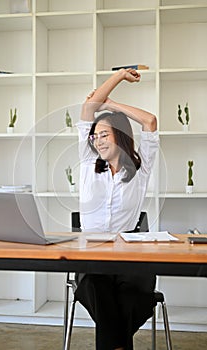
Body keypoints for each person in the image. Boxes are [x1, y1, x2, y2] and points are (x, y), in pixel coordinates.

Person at [75, 68, 159, 350]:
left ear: (120, 135)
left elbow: (149, 120)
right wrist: (120, 75)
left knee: (133, 297)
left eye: (104, 134)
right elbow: (89, 107)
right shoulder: (88, 162)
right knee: (98, 289)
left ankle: (113, 344)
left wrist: (110, 105)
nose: (96, 140)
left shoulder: (141, 166)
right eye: (94, 136)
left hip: (130, 256)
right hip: (92, 256)